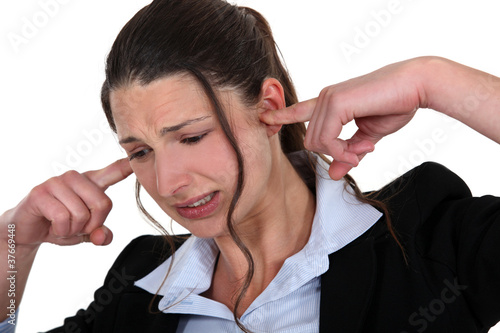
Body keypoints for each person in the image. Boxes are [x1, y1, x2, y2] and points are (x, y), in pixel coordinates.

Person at [1, 0, 499, 331]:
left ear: (268, 107)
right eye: (141, 152)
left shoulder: (431, 240)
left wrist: (433, 80)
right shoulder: (140, 289)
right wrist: (12, 244)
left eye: (192, 136)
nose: (169, 182)